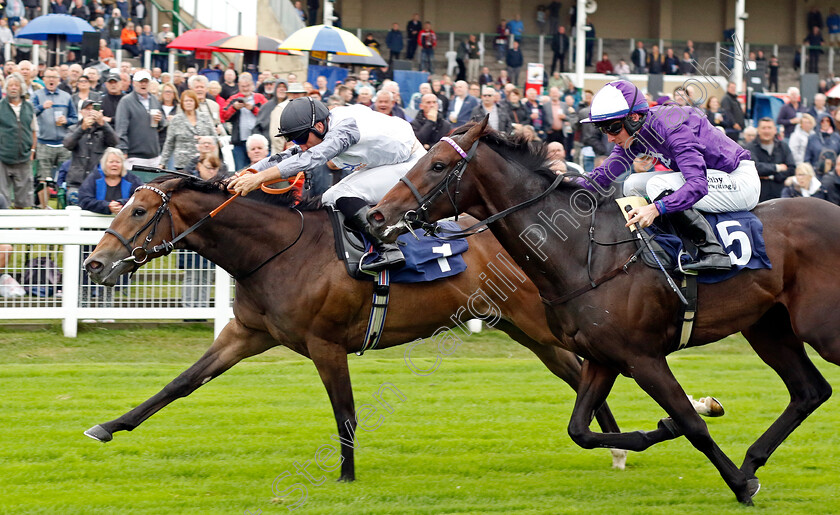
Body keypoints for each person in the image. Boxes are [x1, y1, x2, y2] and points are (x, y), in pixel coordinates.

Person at [227, 97, 426, 272]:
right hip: (393, 163)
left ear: (320, 127)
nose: (299, 144)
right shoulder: (322, 128)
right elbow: (285, 157)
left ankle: (388, 248)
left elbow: (311, 158)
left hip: (412, 165)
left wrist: (259, 179)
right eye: (293, 139)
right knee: (328, 198)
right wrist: (243, 174)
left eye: (300, 138)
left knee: (341, 193)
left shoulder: (344, 128)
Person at [579, 80, 760, 271]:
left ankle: (713, 253)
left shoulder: (672, 127)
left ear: (634, 117)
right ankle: (660, 247)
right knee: (631, 183)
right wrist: (565, 183)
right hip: (715, 180)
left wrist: (656, 209)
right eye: (603, 129)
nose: (609, 137)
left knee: (659, 184)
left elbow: (698, 185)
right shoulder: (636, 133)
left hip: (738, 181)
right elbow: (603, 175)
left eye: (613, 128)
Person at [33, 67, 77, 209]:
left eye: (54, 77)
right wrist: (41, 107)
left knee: (64, 178)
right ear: (44, 79)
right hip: (44, 142)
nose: (51, 79)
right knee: (43, 178)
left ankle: (62, 208)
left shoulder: (66, 96)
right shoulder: (37, 95)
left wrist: (67, 121)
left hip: (63, 144)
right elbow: (29, 114)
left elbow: (74, 118)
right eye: (49, 77)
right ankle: (45, 209)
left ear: (59, 80)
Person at [63, 99, 118, 204]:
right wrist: (82, 128)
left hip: (98, 182)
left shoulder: (104, 130)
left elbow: (114, 142)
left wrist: (103, 124)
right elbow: (67, 144)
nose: (90, 112)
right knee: (74, 210)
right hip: (76, 183)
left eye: (93, 109)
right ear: (81, 112)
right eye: (87, 109)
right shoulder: (73, 128)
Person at [114, 70, 167, 170]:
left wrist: (161, 120)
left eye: (146, 82)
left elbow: (163, 125)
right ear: (134, 83)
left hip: (154, 156)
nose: (143, 84)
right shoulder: (126, 102)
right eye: (140, 82)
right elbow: (121, 129)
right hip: (134, 156)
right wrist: (123, 150)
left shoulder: (154, 100)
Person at [0, 74, 36, 209]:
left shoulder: (29, 107)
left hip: (24, 157)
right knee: (2, 197)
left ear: (21, 88)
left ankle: (21, 228)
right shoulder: (0, 106)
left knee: (24, 198)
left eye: (16, 85)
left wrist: (32, 150)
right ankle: (4, 227)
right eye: (10, 85)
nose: (13, 88)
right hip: (3, 158)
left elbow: (33, 130)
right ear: (6, 88)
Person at [160, 90, 216, 171]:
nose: (188, 103)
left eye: (191, 100)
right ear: (182, 103)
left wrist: (205, 140)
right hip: (182, 164)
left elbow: (215, 138)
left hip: (204, 162)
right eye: (186, 101)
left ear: (195, 102)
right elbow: (169, 143)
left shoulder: (205, 117)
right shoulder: (175, 120)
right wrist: (162, 163)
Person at [221, 73, 267, 170]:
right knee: (241, 170)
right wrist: (234, 108)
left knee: (260, 169)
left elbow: (266, 116)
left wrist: (253, 109)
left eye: (248, 86)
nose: (245, 89)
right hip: (239, 142)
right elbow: (224, 115)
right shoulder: (233, 98)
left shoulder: (260, 98)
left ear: (252, 85)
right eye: (243, 86)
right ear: (238, 85)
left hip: (257, 142)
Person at [78, 147, 143, 214]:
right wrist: (107, 206)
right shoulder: (93, 178)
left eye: (118, 162)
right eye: (111, 162)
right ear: (104, 164)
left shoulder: (132, 180)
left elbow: (141, 198)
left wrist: (122, 204)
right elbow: (84, 201)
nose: (114, 164)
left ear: (123, 165)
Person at [745, 117, 795, 202]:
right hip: (758, 196)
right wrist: (777, 168)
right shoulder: (749, 147)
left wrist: (773, 177)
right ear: (758, 130)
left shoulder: (783, 146)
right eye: (763, 128)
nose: (766, 131)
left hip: (780, 195)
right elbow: (754, 168)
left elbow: (792, 168)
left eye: (769, 128)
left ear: (775, 130)